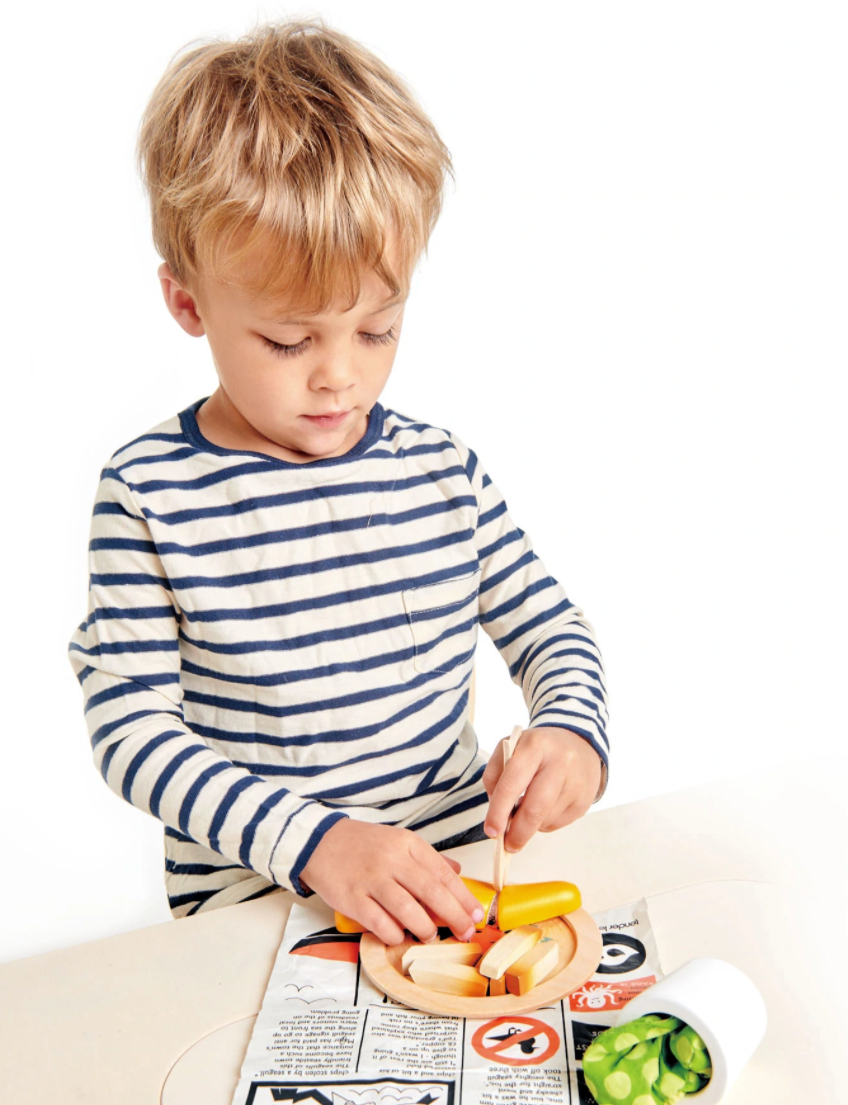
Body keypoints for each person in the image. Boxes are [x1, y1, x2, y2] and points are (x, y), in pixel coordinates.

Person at [68, 21, 608, 948]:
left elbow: (551, 626)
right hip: (261, 919)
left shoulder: (441, 472)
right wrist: (313, 844)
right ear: (188, 303)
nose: (339, 377)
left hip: (452, 896)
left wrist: (572, 733)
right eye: (288, 340)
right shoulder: (150, 493)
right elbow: (129, 729)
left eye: (377, 329)